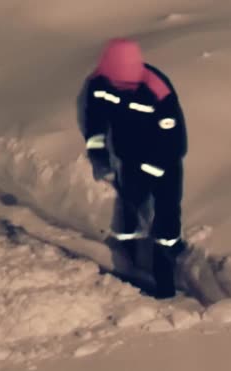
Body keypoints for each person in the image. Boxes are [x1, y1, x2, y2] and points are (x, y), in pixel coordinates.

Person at [79, 38, 188, 276]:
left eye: (128, 86)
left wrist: (154, 167)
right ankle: (126, 253)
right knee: (130, 203)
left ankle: (167, 260)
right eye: (118, 85)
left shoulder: (158, 90)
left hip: (164, 159)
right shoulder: (98, 84)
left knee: (167, 207)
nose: (123, 90)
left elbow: (174, 137)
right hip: (128, 155)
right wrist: (99, 154)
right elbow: (94, 121)